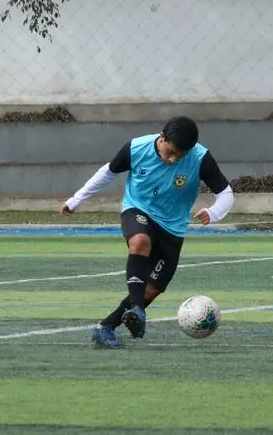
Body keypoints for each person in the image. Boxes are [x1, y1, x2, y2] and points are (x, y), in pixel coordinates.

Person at [60, 116, 235, 348]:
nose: (172, 159)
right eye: (170, 152)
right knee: (140, 240)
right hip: (138, 210)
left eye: (179, 156)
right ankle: (137, 309)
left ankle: (106, 328)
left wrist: (213, 213)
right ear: (161, 138)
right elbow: (107, 172)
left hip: (173, 227)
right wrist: (75, 200)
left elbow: (226, 194)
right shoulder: (136, 148)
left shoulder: (200, 158)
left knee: (152, 289)